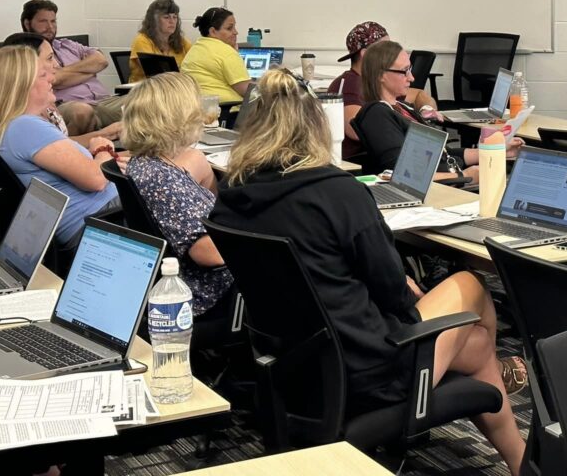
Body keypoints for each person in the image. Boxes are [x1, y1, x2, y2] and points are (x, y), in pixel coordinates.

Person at [210, 69, 527, 476]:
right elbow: (393, 297)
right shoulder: (337, 193)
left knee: (478, 344)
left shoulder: (231, 199)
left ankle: (519, 457)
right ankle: (521, 455)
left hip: (289, 366)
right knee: (470, 284)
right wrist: (404, 284)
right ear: (315, 128)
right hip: (367, 371)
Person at [0, 46, 120, 250]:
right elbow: (96, 180)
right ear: (21, 85)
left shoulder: (15, 126)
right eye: (43, 75)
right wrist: (103, 150)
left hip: (97, 217)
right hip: (101, 221)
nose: (52, 79)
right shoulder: (25, 127)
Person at [122, 73, 234, 319]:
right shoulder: (165, 180)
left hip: (183, 285)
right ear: (180, 118)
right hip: (209, 296)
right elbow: (207, 253)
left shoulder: (145, 163)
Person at [354, 41, 520, 183]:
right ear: (381, 75)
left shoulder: (403, 107)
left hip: (451, 180)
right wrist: (463, 176)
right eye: (404, 71)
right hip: (443, 188)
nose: (411, 78)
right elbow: (402, 174)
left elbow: (445, 153)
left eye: (410, 69)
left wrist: (498, 150)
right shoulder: (377, 115)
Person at [329, 21, 441, 161]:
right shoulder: (350, 85)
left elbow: (418, 94)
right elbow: (357, 131)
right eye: (385, 48)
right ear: (366, 54)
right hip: (368, 164)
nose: (391, 52)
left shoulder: (386, 82)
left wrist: (426, 108)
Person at [20, 0, 126, 135]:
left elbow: (101, 61)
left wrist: (65, 73)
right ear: (27, 24)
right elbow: (55, 79)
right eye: (43, 21)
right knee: (82, 111)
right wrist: (89, 71)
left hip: (104, 100)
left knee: (149, 99)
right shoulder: (26, 53)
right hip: (67, 105)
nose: (50, 27)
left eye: (53, 21)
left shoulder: (67, 45)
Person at [2, 32, 123, 148]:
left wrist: (109, 134)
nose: (56, 65)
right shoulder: (26, 122)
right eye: (50, 58)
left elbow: (62, 144)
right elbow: (64, 153)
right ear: (29, 65)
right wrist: (105, 142)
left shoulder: (44, 110)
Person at [180, 6, 251, 105]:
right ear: (213, 31)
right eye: (229, 28)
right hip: (228, 113)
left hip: (197, 110)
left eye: (234, 27)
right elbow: (247, 91)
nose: (236, 32)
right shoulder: (226, 52)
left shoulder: (195, 49)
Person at [128, 0, 192, 82]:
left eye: (175, 17)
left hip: (174, 88)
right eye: (166, 17)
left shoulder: (181, 41)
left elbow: (195, 63)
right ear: (154, 21)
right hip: (146, 90)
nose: (172, 21)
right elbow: (155, 74)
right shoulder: (142, 40)